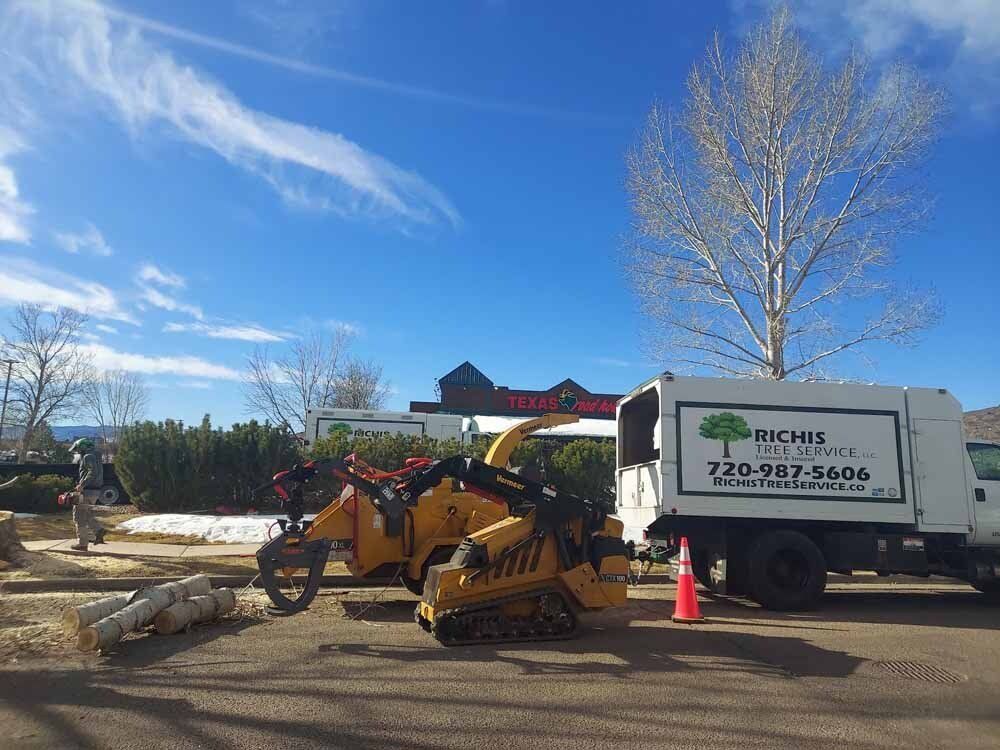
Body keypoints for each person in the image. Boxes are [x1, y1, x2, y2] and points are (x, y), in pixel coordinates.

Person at [69, 438, 106, 551]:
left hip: (87, 490)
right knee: (86, 513)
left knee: (79, 516)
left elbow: (92, 472)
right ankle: (98, 530)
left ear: (83, 447)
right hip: (95, 490)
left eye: (78, 449)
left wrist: (82, 485)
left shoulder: (88, 456)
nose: (78, 452)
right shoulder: (96, 456)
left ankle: (82, 544)